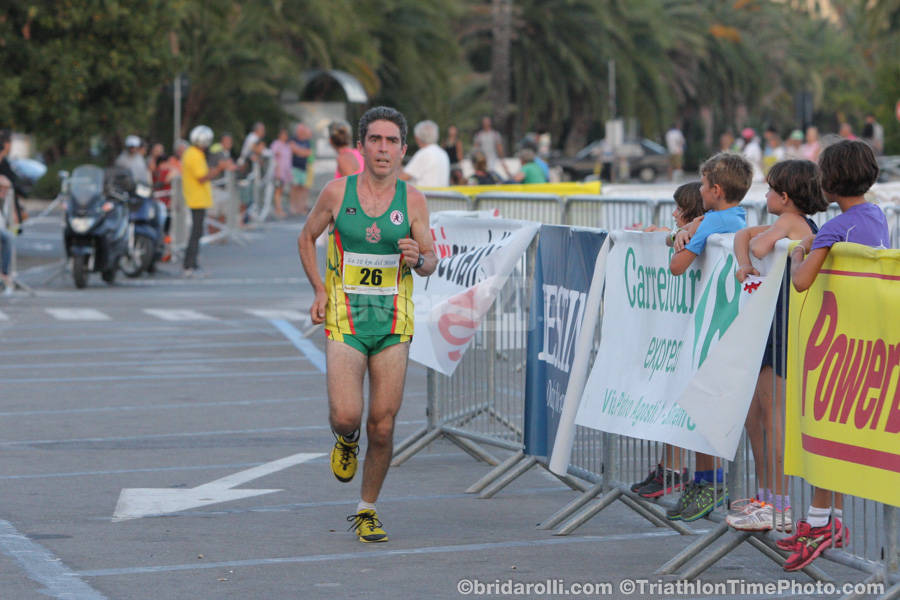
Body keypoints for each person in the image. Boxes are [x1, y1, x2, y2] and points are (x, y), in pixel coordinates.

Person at [297, 106, 437, 543]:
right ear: (361, 146)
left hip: (393, 320)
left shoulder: (413, 199)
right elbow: (306, 237)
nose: (382, 148)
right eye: (374, 139)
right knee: (347, 416)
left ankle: (367, 509)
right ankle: (344, 439)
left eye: (391, 141)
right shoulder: (337, 193)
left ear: (403, 150)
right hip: (345, 317)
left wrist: (421, 259)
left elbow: (431, 260)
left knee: (384, 424)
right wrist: (320, 289)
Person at [780, 140, 888, 572]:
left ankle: (821, 523)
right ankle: (828, 520)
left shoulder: (834, 228)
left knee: (825, 429)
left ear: (828, 180)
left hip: (839, 345)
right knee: (842, 434)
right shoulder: (877, 216)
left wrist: (800, 253)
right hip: (874, 340)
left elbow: (802, 282)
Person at [727, 160, 828, 534]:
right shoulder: (789, 223)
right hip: (769, 326)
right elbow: (744, 243)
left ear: (785, 197)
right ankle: (766, 495)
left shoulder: (791, 223)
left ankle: (778, 501)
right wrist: (742, 265)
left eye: (770, 190)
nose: (764, 195)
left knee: (773, 416)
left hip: (784, 329)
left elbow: (756, 242)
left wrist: (757, 244)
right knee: (756, 414)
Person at [667, 152, 753, 521]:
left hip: (715, 324)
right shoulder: (739, 218)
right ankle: (709, 481)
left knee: (706, 404)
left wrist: (680, 238)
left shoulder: (711, 221)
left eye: (702, 185)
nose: (699, 191)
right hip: (735, 321)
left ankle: (710, 483)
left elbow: (676, 267)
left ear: (716, 190)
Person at [629, 182, 705, 499]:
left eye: (679, 208)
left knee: (690, 404)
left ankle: (694, 476)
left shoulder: (708, 230)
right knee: (674, 398)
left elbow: (677, 263)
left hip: (697, 332)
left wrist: (675, 235)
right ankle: (670, 468)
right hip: (679, 331)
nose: (674, 213)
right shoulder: (693, 231)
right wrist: (666, 234)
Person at [181, 125, 235, 277]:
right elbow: (202, 177)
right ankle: (189, 265)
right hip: (196, 199)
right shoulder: (194, 155)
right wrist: (218, 168)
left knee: (197, 233)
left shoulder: (194, 153)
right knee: (195, 233)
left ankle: (193, 263)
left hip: (198, 198)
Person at [400, 120, 450, 188]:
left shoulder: (424, 153)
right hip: (442, 197)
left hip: (426, 197)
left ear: (417, 137)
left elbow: (401, 178)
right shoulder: (443, 153)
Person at [0, 129, 28, 227]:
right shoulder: (4, 164)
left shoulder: (5, 163)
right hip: (5, 214)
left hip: (7, 214)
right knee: (7, 238)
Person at [289, 123, 314, 215]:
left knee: (302, 188)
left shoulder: (306, 141)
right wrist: (301, 152)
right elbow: (293, 149)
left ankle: (301, 207)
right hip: (295, 167)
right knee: (294, 188)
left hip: (303, 168)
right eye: (300, 130)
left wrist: (298, 151)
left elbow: (308, 153)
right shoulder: (293, 139)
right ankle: (293, 207)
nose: (301, 132)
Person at [270, 127, 292, 219]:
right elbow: (273, 156)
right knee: (278, 190)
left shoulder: (287, 146)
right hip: (278, 171)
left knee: (281, 190)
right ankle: (278, 208)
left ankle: (279, 208)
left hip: (285, 171)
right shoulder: (276, 144)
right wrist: (277, 169)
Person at [0, 175, 15, 294]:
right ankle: (4, 273)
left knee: (9, 237)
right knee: (7, 238)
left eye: (5, 190)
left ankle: (4, 274)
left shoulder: (7, 201)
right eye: (1, 189)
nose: (4, 192)